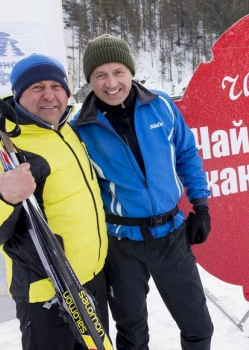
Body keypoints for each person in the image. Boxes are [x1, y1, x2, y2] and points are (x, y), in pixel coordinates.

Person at [73, 34, 214, 350]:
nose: (111, 83)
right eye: (100, 75)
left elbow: (187, 153)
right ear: (90, 80)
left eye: (118, 72)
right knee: (132, 335)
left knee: (199, 327)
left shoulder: (161, 105)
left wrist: (200, 204)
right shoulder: (79, 127)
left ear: (131, 72)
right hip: (121, 245)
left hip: (172, 236)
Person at [0, 53, 109, 350]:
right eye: (36, 88)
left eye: (56, 86)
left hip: (90, 283)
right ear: (19, 95)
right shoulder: (5, 150)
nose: (49, 96)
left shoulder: (67, 130)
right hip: (47, 295)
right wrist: (6, 199)